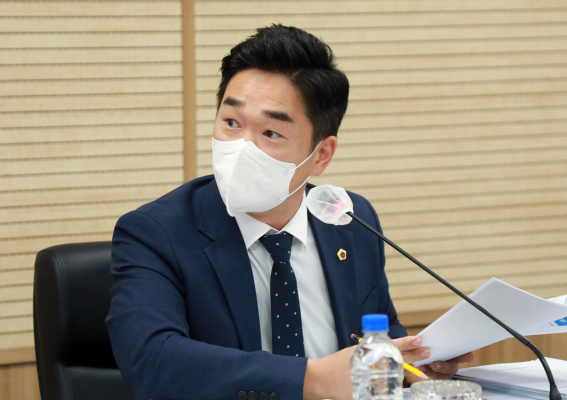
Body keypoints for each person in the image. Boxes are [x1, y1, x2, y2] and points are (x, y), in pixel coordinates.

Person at [106, 24, 473, 400]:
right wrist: (312, 379)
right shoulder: (156, 232)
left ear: (321, 155)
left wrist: (412, 367)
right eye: (231, 123)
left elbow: (379, 338)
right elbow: (151, 361)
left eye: (271, 133)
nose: (242, 147)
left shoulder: (350, 220)